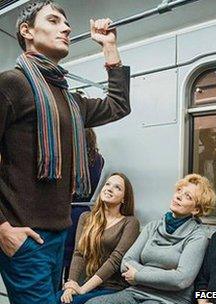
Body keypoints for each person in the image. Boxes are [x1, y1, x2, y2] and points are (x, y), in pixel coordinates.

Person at [0, 1, 130, 303]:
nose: (66, 28)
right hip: (23, 235)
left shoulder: (69, 100)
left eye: (66, 23)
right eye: (54, 21)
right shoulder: (12, 84)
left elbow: (118, 105)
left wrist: (109, 47)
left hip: (59, 233)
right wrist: (3, 228)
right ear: (27, 31)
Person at [86, 173, 216, 304]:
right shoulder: (152, 226)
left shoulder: (197, 237)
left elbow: (181, 280)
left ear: (196, 209)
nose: (178, 196)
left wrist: (138, 275)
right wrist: (164, 274)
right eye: (179, 191)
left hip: (170, 299)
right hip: (135, 292)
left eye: (187, 196)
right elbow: (126, 263)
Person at [57, 172, 140, 304]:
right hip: (87, 284)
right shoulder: (86, 217)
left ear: (124, 198)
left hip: (113, 288)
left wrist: (83, 289)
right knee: (54, 299)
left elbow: (115, 260)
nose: (109, 188)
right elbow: (79, 254)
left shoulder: (130, 223)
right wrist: (71, 285)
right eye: (107, 184)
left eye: (117, 187)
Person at [63, 128, 105, 282]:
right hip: (85, 212)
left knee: (58, 262)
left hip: (66, 211)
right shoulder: (99, 160)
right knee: (76, 263)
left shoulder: (70, 157)